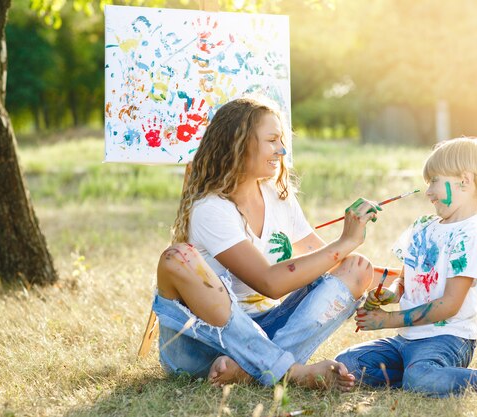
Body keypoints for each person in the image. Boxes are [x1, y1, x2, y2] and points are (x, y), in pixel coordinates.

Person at [153, 96, 382, 390]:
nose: (282, 150)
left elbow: (322, 257)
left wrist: (395, 280)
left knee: (357, 269)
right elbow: (269, 283)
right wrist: (346, 240)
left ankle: (250, 370)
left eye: (281, 140)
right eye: (272, 140)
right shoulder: (211, 208)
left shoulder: (277, 195)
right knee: (178, 257)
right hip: (202, 345)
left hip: (264, 329)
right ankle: (290, 372)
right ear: (240, 143)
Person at [335, 137, 477, 398]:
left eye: (434, 181)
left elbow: (450, 305)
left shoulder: (470, 237)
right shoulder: (422, 226)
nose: (428, 191)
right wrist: (389, 295)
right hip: (405, 340)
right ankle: (419, 374)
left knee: (422, 378)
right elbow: (406, 280)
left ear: (465, 181)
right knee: (347, 363)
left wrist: (387, 320)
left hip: (448, 339)